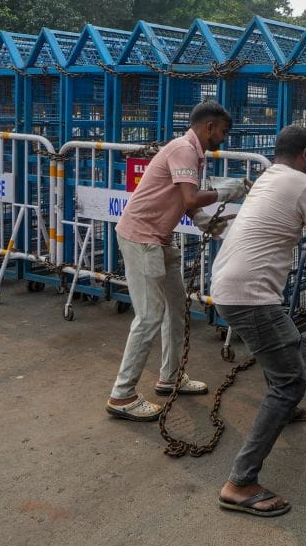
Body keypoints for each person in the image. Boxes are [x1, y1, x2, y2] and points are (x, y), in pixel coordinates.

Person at [210, 124, 306, 518]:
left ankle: (284, 413)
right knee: (290, 381)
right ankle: (239, 482)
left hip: (229, 284)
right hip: (249, 295)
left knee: (283, 348)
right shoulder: (304, 184)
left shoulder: (269, 177)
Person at [105, 102, 249, 422]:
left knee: (177, 311)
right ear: (209, 127)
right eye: (223, 132)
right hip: (142, 239)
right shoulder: (184, 149)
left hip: (159, 240)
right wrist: (233, 189)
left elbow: (188, 207)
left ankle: (170, 377)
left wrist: (218, 228)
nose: (223, 139)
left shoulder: (193, 154)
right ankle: (122, 394)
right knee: (149, 315)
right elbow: (192, 199)